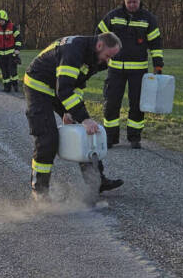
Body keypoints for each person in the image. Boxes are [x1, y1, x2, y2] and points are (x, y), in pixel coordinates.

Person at [23, 33, 125, 200]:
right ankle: (40, 192)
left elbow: (78, 84)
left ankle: (97, 181)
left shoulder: (94, 56)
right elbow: (63, 90)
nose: (108, 61)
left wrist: (71, 112)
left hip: (60, 87)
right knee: (47, 139)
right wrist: (84, 118)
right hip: (39, 86)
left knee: (87, 133)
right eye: (108, 56)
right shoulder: (74, 50)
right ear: (99, 45)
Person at [97, 0, 163, 148]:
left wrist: (158, 65)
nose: (132, 4)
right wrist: (100, 56)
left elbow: (156, 44)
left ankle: (134, 138)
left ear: (139, 1)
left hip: (138, 70)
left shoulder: (149, 19)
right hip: (115, 69)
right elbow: (99, 35)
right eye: (129, 2)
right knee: (111, 102)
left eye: (134, 2)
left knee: (137, 104)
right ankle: (110, 138)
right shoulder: (113, 16)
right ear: (124, 1)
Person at [0, 9, 23, 92]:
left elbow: (18, 39)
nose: (0, 22)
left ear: (5, 19)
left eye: (1, 20)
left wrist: (17, 50)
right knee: (4, 72)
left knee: (13, 71)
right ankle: (7, 87)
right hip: (1, 54)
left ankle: (15, 86)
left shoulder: (12, 27)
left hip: (11, 53)